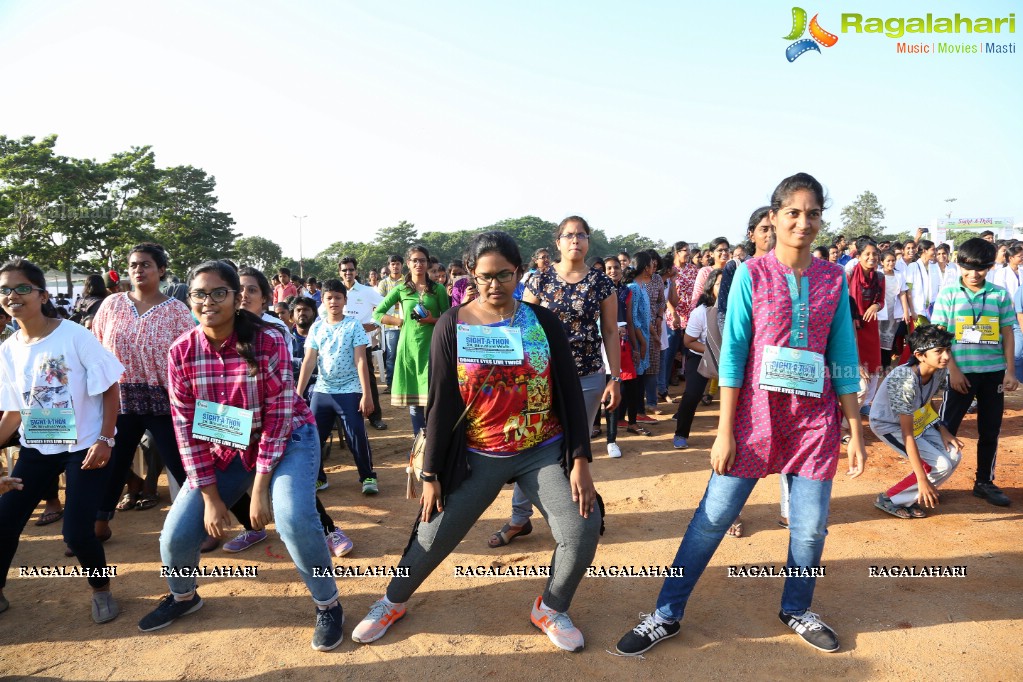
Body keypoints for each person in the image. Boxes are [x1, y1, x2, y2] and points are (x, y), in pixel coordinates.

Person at [615, 172, 866, 657]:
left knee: (810, 528)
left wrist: (854, 428)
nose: (803, 222)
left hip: (814, 422)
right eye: (793, 212)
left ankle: (797, 607)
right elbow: (732, 354)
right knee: (712, 518)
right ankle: (666, 614)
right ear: (774, 218)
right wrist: (723, 430)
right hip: (754, 418)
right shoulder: (751, 273)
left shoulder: (833, 278)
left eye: (813, 213)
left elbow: (842, 354)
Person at [351, 231, 601, 651]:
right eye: (485, 276)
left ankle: (551, 607)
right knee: (433, 534)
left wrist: (579, 460)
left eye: (504, 275)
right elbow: (442, 401)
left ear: (518, 272)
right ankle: (391, 601)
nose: (494, 284)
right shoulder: (453, 323)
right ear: (470, 275)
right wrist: (431, 473)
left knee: (583, 527)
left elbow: (570, 394)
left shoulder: (543, 322)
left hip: (541, 450)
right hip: (476, 454)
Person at [138, 260, 344, 651]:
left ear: (236, 298)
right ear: (189, 300)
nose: (209, 302)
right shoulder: (181, 352)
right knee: (176, 535)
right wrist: (211, 498)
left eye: (220, 293)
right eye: (199, 294)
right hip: (223, 446)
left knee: (295, 519)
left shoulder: (269, 339)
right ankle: (184, 597)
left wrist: (260, 486)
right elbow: (185, 430)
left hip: (287, 439)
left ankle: (328, 603)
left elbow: (280, 414)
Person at [0, 258, 125, 623]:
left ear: (41, 294)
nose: (12, 295)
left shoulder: (73, 335)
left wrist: (106, 438)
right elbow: (12, 411)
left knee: (76, 532)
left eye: (21, 288)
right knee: (5, 521)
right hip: (37, 448)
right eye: (5, 289)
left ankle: (101, 590)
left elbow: (110, 386)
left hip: (84, 448)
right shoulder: (8, 349)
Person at [490, 217, 620, 547]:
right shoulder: (540, 280)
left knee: (574, 448)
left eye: (581, 235)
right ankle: (520, 518)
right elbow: (523, 327)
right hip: (541, 378)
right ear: (558, 242)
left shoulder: (602, 284)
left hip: (588, 377)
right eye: (568, 235)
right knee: (532, 444)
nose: (575, 240)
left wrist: (614, 378)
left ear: (588, 241)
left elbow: (609, 333)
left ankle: (574, 516)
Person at [90, 243, 196, 546]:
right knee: (112, 463)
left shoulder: (177, 310)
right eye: (134, 264)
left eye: (146, 264)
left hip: (163, 400)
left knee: (181, 465)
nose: (139, 269)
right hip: (119, 399)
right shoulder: (111, 305)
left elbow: (187, 357)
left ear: (161, 271)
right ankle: (98, 522)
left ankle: (201, 524)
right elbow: (96, 349)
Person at [930, 238, 1019, 507]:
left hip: (993, 374)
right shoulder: (948, 294)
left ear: (991, 267)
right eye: (967, 269)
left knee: (990, 431)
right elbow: (939, 335)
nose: (973, 274)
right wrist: (953, 371)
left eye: (980, 269)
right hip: (961, 375)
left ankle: (984, 482)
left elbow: (1008, 332)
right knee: (946, 428)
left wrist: (1010, 371)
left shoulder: (999, 294)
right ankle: (930, 479)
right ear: (958, 265)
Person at [869, 325, 962, 518]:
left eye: (947, 350)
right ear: (920, 355)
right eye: (939, 351)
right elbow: (907, 434)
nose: (946, 357)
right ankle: (891, 499)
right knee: (939, 465)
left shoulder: (938, 370)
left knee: (953, 455)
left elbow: (927, 402)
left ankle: (917, 492)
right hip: (888, 425)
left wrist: (942, 428)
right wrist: (921, 478)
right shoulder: (905, 380)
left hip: (918, 420)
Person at [298, 278, 379, 495]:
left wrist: (366, 395)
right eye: (329, 298)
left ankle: (368, 476)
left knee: (356, 435)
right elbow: (308, 361)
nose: (333, 301)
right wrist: (298, 394)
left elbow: (362, 360)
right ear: (322, 301)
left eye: (338, 297)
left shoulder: (353, 326)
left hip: (350, 390)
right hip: (323, 390)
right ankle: (319, 478)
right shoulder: (316, 328)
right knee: (313, 437)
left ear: (345, 300)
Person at [373, 246, 450, 436]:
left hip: (432, 348)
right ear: (408, 264)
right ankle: (419, 443)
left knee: (433, 399)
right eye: (414, 260)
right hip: (408, 349)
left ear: (427, 263)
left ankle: (433, 442)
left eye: (422, 260)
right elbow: (377, 313)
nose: (418, 264)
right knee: (415, 403)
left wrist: (431, 320)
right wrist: (401, 321)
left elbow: (448, 319)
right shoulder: (401, 289)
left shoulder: (438, 289)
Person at [335, 256, 386, 432]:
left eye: (351, 269)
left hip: (363, 343)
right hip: (341, 345)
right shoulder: (337, 291)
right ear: (340, 272)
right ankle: (342, 419)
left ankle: (375, 417)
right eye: (344, 270)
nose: (348, 273)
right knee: (342, 380)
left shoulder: (367, 291)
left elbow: (385, 306)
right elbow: (323, 313)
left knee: (368, 379)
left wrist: (375, 324)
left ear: (356, 271)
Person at [672, 269, 722, 449]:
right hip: (701, 357)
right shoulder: (700, 312)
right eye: (719, 284)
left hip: (729, 359)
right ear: (710, 287)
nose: (724, 287)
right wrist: (714, 352)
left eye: (727, 284)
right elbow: (688, 341)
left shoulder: (737, 309)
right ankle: (680, 434)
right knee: (692, 394)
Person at [848, 237, 884, 413]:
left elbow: (882, 301)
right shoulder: (848, 274)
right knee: (856, 360)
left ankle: (866, 403)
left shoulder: (879, 276)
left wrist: (876, 305)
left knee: (874, 362)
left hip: (870, 323)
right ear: (859, 256)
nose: (872, 257)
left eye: (875, 254)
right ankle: (854, 400)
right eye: (867, 254)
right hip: (852, 323)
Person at [664, 242, 700, 393]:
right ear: (677, 252)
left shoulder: (694, 269)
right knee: (670, 352)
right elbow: (664, 295)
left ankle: (690, 389)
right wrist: (674, 313)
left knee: (689, 353)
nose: (688, 253)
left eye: (689, 250)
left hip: (692, 316)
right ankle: (663, 387)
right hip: (674, 317)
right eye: (685, 250)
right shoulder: (670, 270)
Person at [878, 251, 912, 372]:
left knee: (889, 337)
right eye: (888, 261)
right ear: (882, 262)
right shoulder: (878, 274)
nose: (891, 263)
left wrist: (906, 311)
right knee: (878, 337)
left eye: (893, 260)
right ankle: (878, 364)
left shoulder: (899, 275)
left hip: (893, 311)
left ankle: (886, 364)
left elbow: (903, 293)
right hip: (880, 310)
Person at [376, 254, 405, 390]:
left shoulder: (408, 281)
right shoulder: (383, 283)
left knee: (406, 354)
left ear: (402, 265)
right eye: (392, 264)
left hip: (406, 323)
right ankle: (391, 384)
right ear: (389, 266)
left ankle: (405, 384)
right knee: (391, 355)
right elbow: (380, 304)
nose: (395, 266)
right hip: (390, 325)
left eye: (398, 263)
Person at [906, 239, 936, 324]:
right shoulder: (913, 266)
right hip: (917, 311)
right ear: (924, 250)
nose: (935, 252)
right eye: (933, 249)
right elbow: (908, 290)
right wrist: (912, 311)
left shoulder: (934, 267)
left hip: (932, 310)